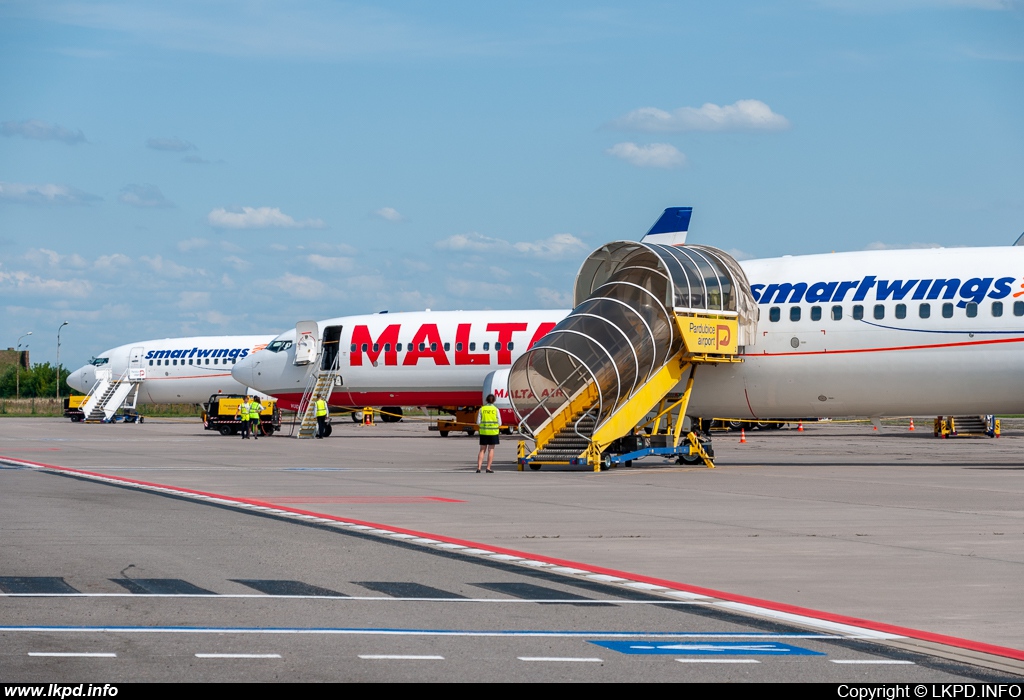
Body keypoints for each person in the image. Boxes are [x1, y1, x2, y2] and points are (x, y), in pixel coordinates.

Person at [476, 394, 500, 473]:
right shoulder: (496, 409)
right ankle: (488, 468)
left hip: (484, 432)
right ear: (494, 400)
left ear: (486, 400)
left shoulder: (482, 409)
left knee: (482, 450)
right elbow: (500, 423)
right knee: (491, 449)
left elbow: (478, 422)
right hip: (493, 432)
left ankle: (479, 468)